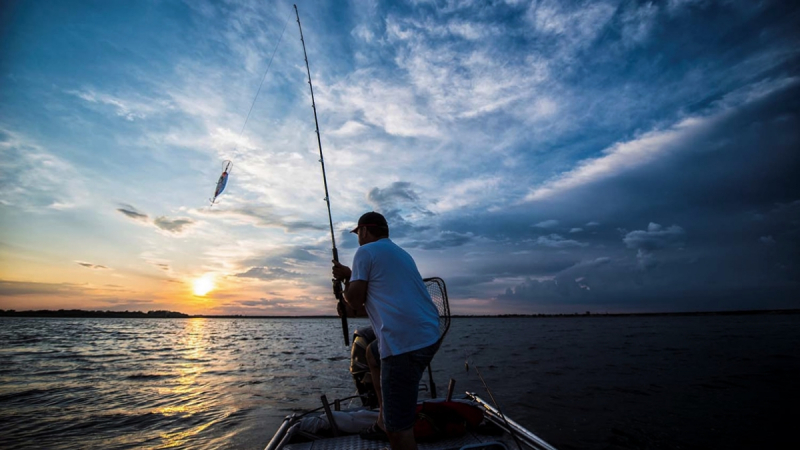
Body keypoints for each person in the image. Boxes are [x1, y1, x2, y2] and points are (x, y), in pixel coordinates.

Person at [332, 211, 441, 450]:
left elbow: (355, 300)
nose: (358, 238)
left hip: (405, 343)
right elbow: (381, 299)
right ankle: (383, 420)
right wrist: (351, 276)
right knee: (372, 353)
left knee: (398, 429)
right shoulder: (401, 254)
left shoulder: (365, 251)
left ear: (364, 230)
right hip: (430, 334)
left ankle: (391, 425)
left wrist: (346, 282)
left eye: (357, 233)